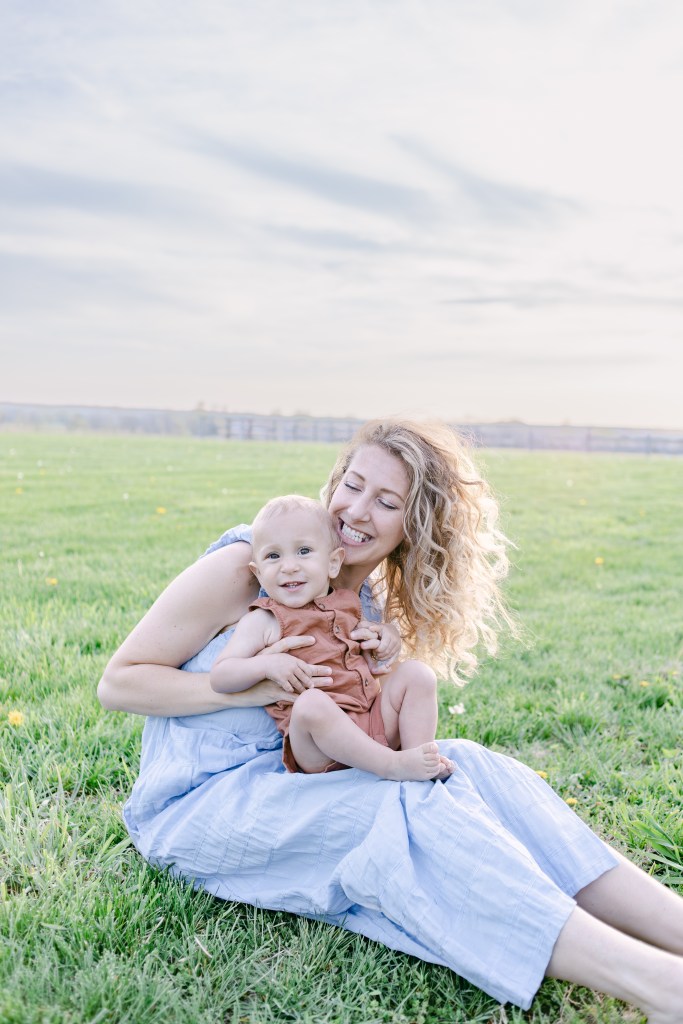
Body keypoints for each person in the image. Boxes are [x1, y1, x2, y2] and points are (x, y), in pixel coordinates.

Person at [99, 417, 683, 1020]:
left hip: (301, 783)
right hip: (202, 804)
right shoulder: (254, 564)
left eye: (386, 502)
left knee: (474, 768)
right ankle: (662, 986)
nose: (355, 510)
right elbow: (119, 683)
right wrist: (245, 692)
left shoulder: (362, 601)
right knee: (401, 811)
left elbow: (358, 728)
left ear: (414, 529)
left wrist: (387, 668)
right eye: (352, 485)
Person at [210, 494, 453, 781]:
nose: (288, 566)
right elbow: (221, 676)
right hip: (319, 746)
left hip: (370, 722)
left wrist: (382, 639)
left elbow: (370, 659)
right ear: (259, 573)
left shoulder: (348, 603)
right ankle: (392, 765)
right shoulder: (264, 620)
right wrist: (268, 666)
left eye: (303, 551)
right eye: (273, 556)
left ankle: (419, 758)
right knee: (311, 703)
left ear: (333, 563)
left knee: (418, 673)